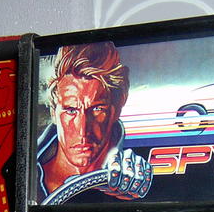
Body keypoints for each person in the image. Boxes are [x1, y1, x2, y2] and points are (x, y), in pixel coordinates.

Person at [37, 41, 151, 203]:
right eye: (71, 110)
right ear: (53, 112)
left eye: (97, 109)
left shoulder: (138, 171)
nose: (82, 130)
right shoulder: (25, 173)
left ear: (118, 106)